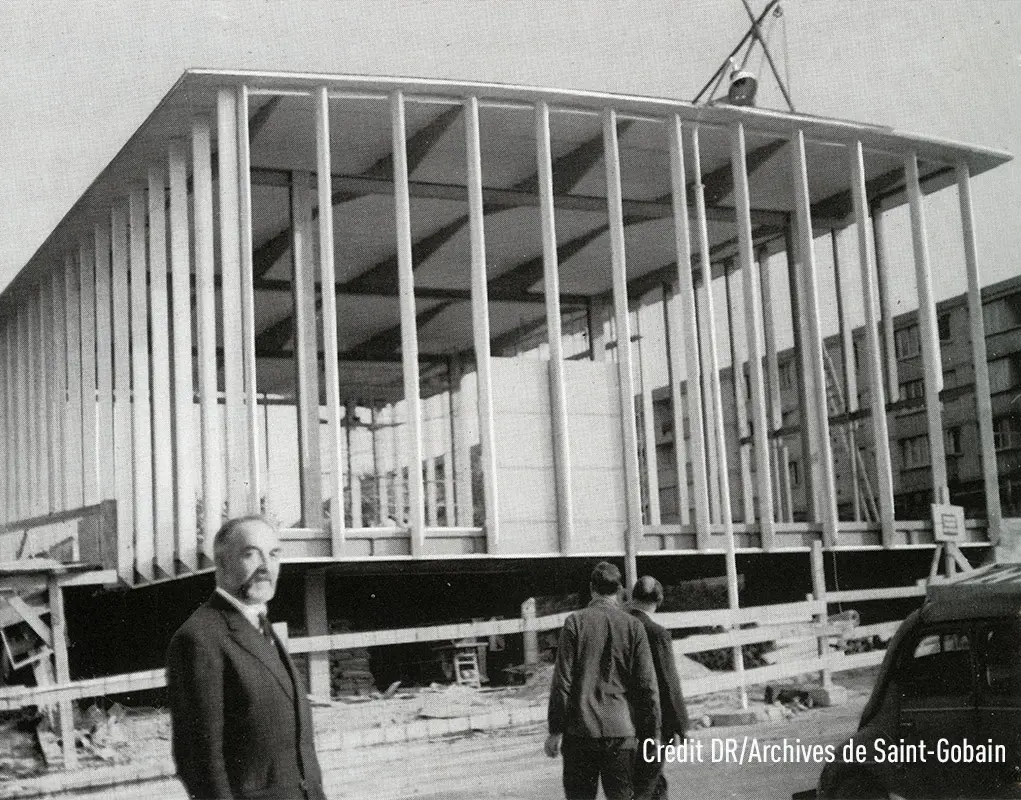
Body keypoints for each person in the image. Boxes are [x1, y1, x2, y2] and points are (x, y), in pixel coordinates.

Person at [166, 515, 326, 800]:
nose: (266, 566)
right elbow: (200, 762)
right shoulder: (200, 638)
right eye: (251, 554)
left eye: (274, 554)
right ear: (223, 563)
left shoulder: (260, 625)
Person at [546, 561, 660, 800]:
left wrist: (555, 730)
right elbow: (647, 687)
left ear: (591, 589)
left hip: (580, 734)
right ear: (619, 591)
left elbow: (562, 682)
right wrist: (652, 736)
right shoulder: (634, 627)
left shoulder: (575, 623)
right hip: (621, 732)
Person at [628, 576, 689, 800]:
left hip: (615, 723)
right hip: (650, 725)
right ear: (659, 600)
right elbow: (667, 682)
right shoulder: (656, 633)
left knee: (652, 785)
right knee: (645, 784)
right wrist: (679, 726)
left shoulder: (614, 628)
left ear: (632, 597)